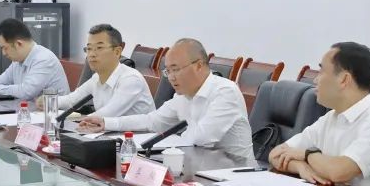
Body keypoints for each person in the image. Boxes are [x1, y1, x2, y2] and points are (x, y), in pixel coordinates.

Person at [269, 43, 370, 186]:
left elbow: (338, 172)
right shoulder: (331, 117)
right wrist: (301, 167)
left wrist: (307, 155)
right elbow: (276, 154)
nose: (315, 80)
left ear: (343, 79)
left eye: (321, 71)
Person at [78, 38, 253, 159]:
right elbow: (152, 121)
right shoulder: (183, 95)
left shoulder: (225, 92)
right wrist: (106, 123)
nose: (171, 77)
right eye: (168, 71)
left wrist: (172, 140)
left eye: (175, 69)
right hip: (199, 169)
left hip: (234, 176)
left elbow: (201, 139)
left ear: (199, 65)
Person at [0, 18, 69, 101]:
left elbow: (25, 92)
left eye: (5, 48)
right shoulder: (18, 60)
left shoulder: (43, 59)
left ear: (19, 44)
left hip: (52, 117)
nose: (3, 53)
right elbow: (0, 81)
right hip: (30, 113)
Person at [57, 24, 154, 118]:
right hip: (105, 128)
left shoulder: (131, 80)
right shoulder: (96, 78)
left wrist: (77, 119)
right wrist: (49, 102)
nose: (91, 54)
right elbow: (71, 100)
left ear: (117, 52)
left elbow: (107, 115)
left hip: (135, 130)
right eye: (89, 48)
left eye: (99, 48)